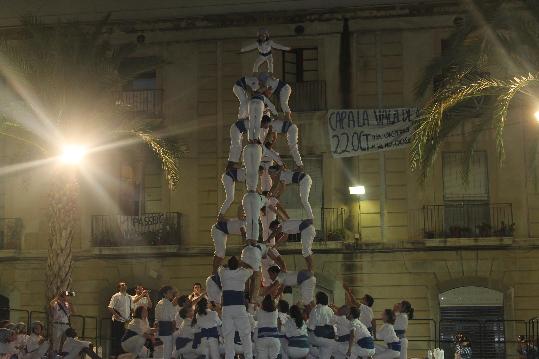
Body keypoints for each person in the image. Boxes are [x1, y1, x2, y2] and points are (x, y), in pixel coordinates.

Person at [218, 256, 254, 359]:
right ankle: (249, 357)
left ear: (228, 265)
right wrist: (243, 264)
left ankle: (229, 357)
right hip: (239, 307)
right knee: (245, 334)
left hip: (227, 308)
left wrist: (228, 265)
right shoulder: (242, 273)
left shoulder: (223, 273)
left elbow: (220, 266)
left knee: (228, 335)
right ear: (239, 264)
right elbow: (252, 269)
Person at [308, 292, 335, 359]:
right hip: (330, 339)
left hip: (317, 338)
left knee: (304, 339)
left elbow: (311, 327)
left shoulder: (315, 310)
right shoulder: (331, 310)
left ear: (318, 299)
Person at [108, 282, 132, 357]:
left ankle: (124, 355)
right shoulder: (116, 296)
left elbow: (130, 308)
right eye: (122, 285)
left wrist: (131, 316)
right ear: (119, 288)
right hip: (118, 321)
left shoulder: (129, 297)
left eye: (125, 284)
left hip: (126, 321)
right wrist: (116, 315)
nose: (124, 286)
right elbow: (110, 307)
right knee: (118, 339)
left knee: (126, 338)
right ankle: (118, 355)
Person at [155, 285, 178, 359]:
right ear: (165, 294)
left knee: (161, 352)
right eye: (170, 292)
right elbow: (173, 320)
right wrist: (173, 331)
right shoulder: (168, 304)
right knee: (168, 352)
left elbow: (156, 320)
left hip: (159, 331)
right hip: (167, 331)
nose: (172, 294)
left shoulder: (159, 303)